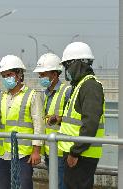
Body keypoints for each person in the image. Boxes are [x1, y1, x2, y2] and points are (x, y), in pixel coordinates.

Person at [0, 55, 45, 189]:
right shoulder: (0, 96)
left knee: (23, 186)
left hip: (23, 154)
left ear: (19, 74)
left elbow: (38, 124)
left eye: (10, 74)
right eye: (4, 75)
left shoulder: (32, 95)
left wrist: (36, 150)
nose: (7, 78)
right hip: (2, 154)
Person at [58, 42, 105, 189]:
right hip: (76, 153)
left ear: (79, 63)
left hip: (82, 155)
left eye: (67, 65)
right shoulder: (79, 85)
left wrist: (75, 152)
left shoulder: (90, 86)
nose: (67, 70)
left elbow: (90, 123)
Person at [33, 53, 71, 189]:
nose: (41, 78)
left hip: (62, 151)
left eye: (43, 75)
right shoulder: (45, 94)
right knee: (54, 184)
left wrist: (59, 119)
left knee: (61, 185)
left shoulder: (67, 91)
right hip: (50, 150)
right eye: (40, 75)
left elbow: (75, 119)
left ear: (54, 75)